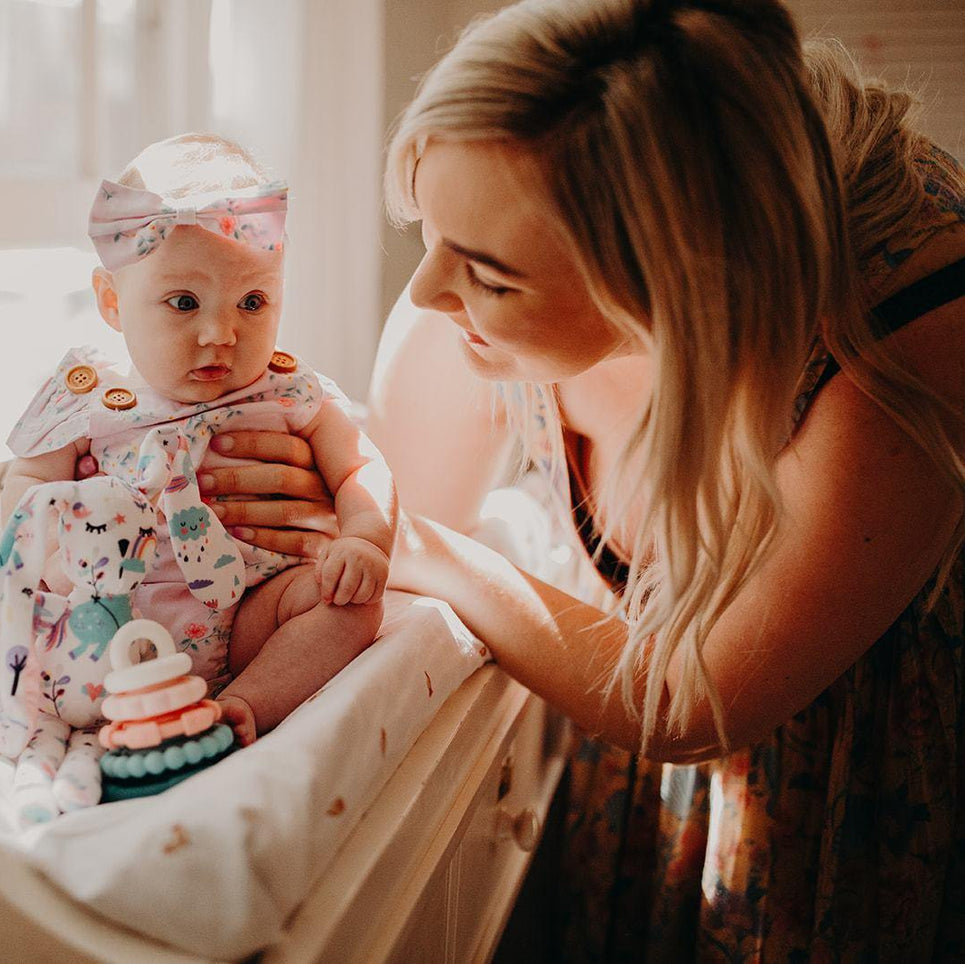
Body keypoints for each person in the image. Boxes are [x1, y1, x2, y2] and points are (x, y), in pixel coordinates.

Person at [204, 0, 965, 959]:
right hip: (635, 754)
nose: (431, 292)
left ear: (666, 281)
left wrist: (428, 553)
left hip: (852, 787)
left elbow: (694, 701)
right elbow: (404, 497)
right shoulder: (498, 224)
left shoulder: (905, 338)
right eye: (429, 233)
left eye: (488, 275)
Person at [0, 133, 394, 761]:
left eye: (253, 302)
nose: (220, 333)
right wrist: (49, 557)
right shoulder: (88, 390)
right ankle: (20, 701)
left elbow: (361, 465)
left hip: (244, 623)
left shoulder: (290, 390)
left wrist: (365, 535)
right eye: (184, 303)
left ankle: (242, 705)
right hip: (96, 613)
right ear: (112, 302)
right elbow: (27, 480)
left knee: (353, 607)